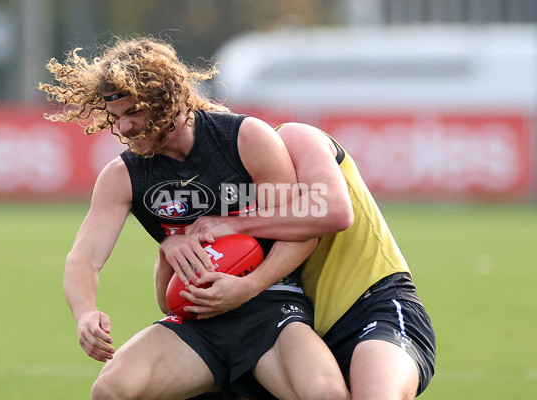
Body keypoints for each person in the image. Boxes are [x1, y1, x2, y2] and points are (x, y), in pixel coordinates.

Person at [39, 36, 348, 400]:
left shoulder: (245, 138)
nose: (122, 129)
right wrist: (85, 313)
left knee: (327, 394)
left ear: (163, 99)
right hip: (196, 320)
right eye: (116, 117)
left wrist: (248, 286)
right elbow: (84, 257)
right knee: (110, 390)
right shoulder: (122, 176)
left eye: (132, 114)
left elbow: (302, 229)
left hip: (270, 305)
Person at [183, 122, 437, 400]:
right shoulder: (227, 184)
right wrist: (173, 246)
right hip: (296, 328)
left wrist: (237, 225)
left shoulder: (293, 136)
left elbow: (336, 212)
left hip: (375, 304)